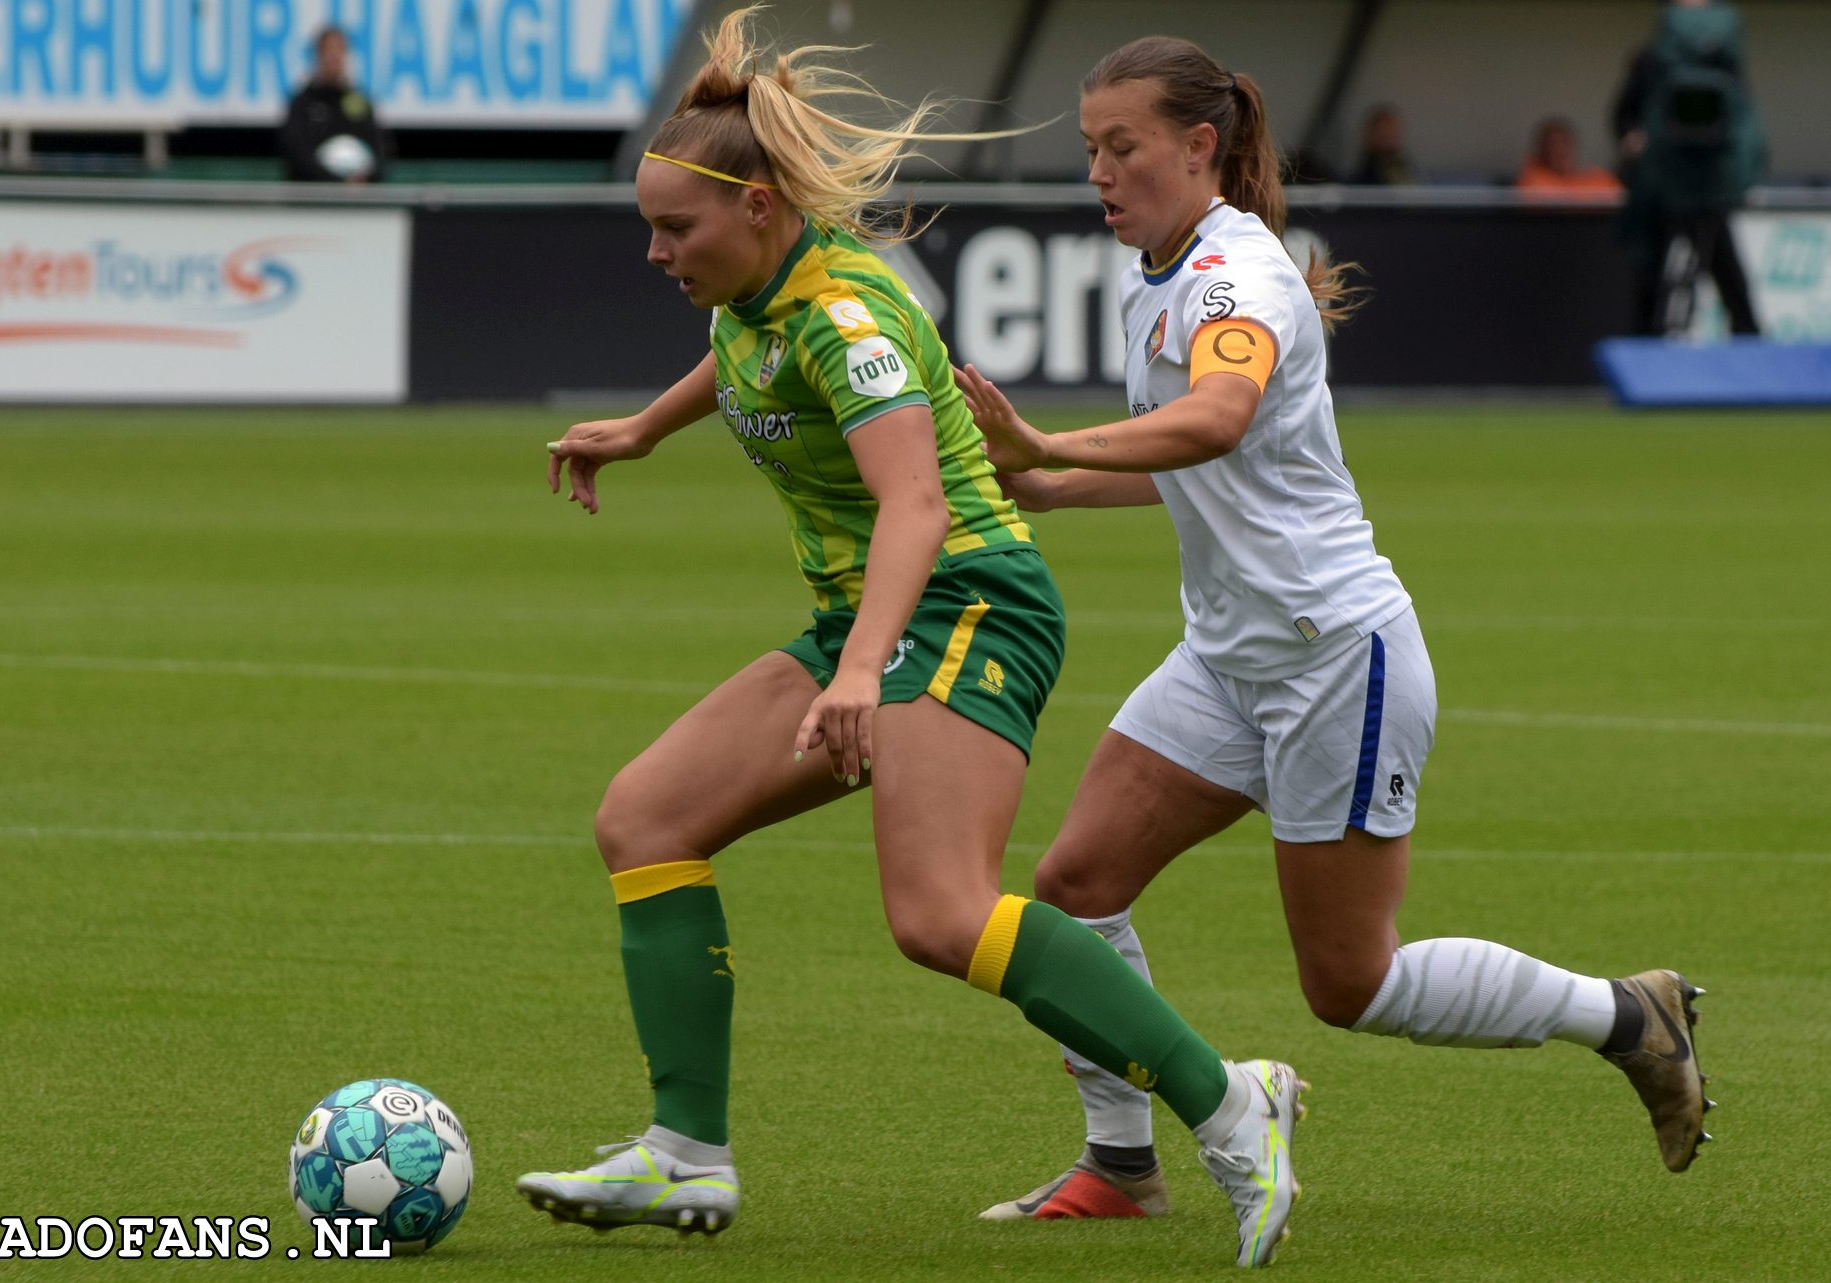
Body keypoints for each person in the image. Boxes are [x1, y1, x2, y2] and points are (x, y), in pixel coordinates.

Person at [515, 8, 1304, 1269]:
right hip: (874, 615)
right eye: (650, 228)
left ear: (762, 207)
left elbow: (920, 504)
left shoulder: (852, 319)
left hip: (966, 599)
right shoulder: (760, 292)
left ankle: (1227, 1097)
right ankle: (685, 1153)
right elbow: (737, 359)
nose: (660, 253)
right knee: (645, 819)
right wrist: (642, 428)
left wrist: (862, 669)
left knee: (940, 913)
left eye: (680, 229)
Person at [949, 34, 1713, 1231]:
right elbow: (1200, 466)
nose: (1098, 171)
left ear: (1200, 148)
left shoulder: (1232, 278)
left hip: (1331, 657)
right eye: (1089, 149)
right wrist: (1047, 486)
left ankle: (1628, 1014)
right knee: (1077, 882)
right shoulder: (1161, 265)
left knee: (1349, 982)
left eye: (1123, 147)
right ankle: (1121, 1163)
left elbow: (1219, 413)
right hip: (1230, 655)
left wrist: (1051, 445)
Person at [1610, 0, 1764, 335]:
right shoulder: (1651, 61)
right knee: (1653, 277)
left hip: (1709, 188)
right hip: (1663, 187)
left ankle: (1751, 349)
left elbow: (1742, 128)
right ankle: (1645, 357)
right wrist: (1633, 138)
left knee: (1728, 277)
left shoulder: (1726, 66)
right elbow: (1624, 115)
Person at [280, 26, 387, 183]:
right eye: (328, 50)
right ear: (317, 54)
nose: (333, 56)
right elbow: (296, 153)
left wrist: (364, 179)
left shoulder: (360, 101)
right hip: (313, 197)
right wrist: (335, 181)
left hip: (357, 199)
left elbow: (381, 150)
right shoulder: (302, 104)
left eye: (339, 49)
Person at [1514, 117, 1623, 193]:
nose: (1560, 150)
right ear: (1541, 150)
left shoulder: (1598, 179)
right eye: (1553, 144)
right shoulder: (1532, 180)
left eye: (1565, 143)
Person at [1347, 105, 1416, 185]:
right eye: (1384, 135)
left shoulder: (1404, 167)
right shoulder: (1366, 176)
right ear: (1368, 136)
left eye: (1393, 134)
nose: (1390, 138)